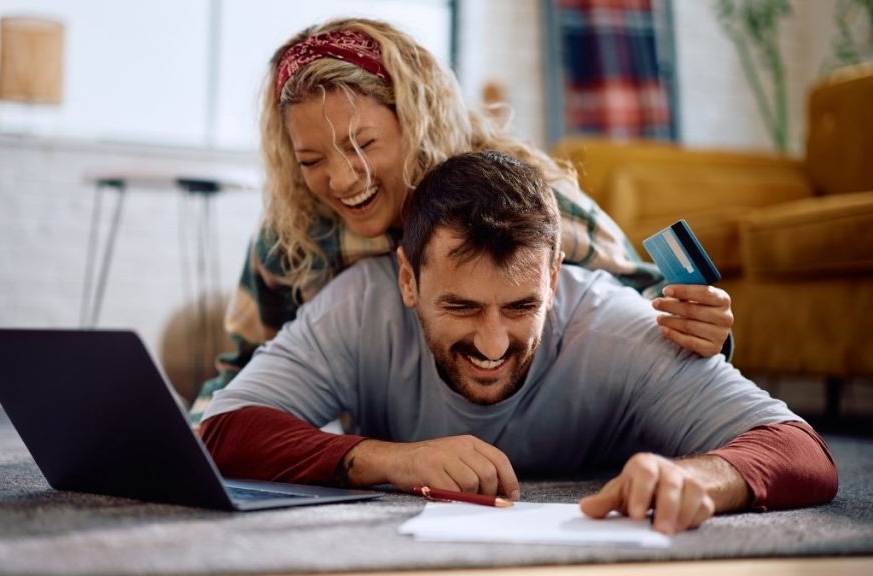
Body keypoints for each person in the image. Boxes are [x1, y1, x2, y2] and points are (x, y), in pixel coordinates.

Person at [201, 151, 837, 535]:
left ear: (554, 277)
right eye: (461, 306)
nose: (493, 341)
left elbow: (802, 452)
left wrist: (704, 479)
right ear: (408, 278)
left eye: (521, 306)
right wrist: (393, 460)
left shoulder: (615, 325)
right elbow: (221, 431)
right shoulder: (358, 306)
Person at [198, 18, 734, 408]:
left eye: (362, 145)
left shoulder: (519, 199)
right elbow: (245, 368)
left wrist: (704, 326)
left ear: (417, 120)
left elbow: (645, 303)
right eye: (311, 159)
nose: (339, 179)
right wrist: (203, 436)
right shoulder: (293, 236)